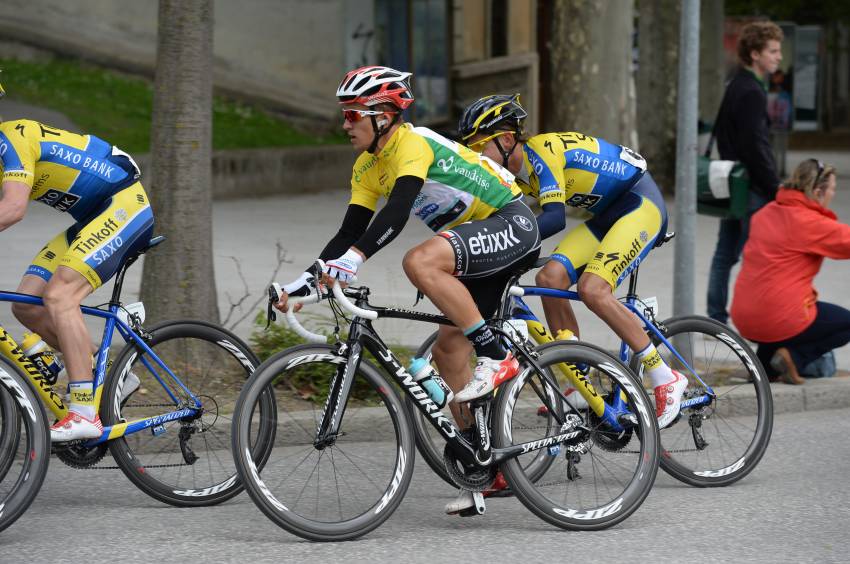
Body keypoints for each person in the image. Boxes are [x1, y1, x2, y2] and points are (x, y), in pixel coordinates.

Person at [271, 66, 541, 514]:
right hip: (472, 242)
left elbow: (396, 212)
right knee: (449, 351)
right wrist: (304, 283)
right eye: (345, 115)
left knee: (418, 261)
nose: (345, 125)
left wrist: (354, 261)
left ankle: (496, 355)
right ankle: (483, 460)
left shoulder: (411, 143)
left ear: (383, 115)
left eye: (353, 115)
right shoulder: (366, 166)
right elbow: (349, 232)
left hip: (509, 223)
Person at [458, 94, 686, 429]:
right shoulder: (512, 176)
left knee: (594, 289)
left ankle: (665, 376)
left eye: (479, 148)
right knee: (550, 279)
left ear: (507, 140)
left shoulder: (542, 153)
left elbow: (553, 218)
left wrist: (506, 247)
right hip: (608, 215)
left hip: (641, 204)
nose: (475, 157)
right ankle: (578, 381)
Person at [0, 80, 154, 440]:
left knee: (59, 297)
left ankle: (85, 412)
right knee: (27, 303)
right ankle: (113, 375)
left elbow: (13, 208)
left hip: (124, 206)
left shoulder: (11, 137)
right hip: (93, 219)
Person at [730, 159, 850, 385]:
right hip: (779, 317)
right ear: (817, 192)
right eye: (833, 189)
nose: (833, 194)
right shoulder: (809, 222)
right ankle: (794, 357)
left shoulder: (764, 213)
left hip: (744, 316)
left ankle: (764, 368)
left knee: (780, 311)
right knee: (845, 323)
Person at [707, 21, 783, 324]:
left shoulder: (736, 84)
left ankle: (715, 321)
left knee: (724, 256)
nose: (778, 57)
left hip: (731, 184)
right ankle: (757, 321)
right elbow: (755, 145)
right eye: (773, 51)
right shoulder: (752, 90)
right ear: (755, 54)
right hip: (751, 188)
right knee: (759, 260)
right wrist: (775, 187)